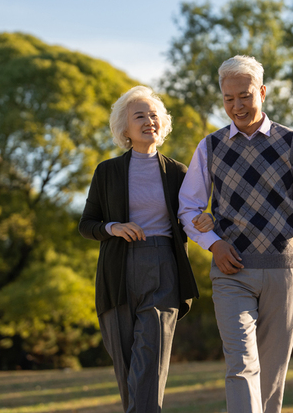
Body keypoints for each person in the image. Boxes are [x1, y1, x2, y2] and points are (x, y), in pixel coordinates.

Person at [178, 55, 293, 413]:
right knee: (241, 366)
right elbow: (188, 207)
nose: (237, 106)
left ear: (262, 92)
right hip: (233, 272)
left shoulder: (291, 142)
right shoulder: (210, 147)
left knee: (272, 375)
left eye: (244, 96)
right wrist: (213, 245)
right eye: (229, 99)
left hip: (285, 270)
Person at [79, 86, 213, 413]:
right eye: (139, 115)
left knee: (149, 359)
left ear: (162, 124)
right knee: (128, 367)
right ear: (124, 128)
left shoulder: (179, 173)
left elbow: (190, 215)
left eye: (154, 115)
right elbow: (87, 224)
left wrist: (205, 221)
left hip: (163, 266)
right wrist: (114, 227)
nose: (148, 121)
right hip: (118, 272)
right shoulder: (106, 172)